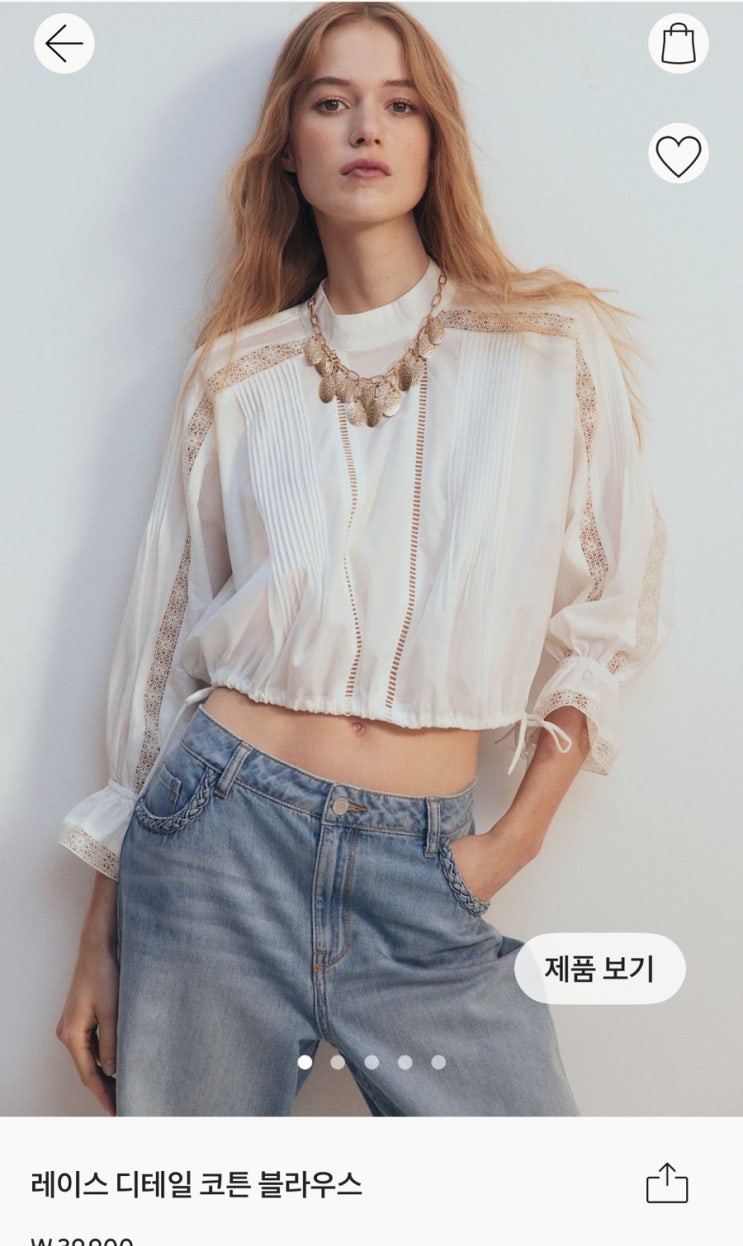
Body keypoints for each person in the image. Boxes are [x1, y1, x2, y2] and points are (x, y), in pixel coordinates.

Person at [56, 1, 671, 1117]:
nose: (365, 128)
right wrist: (99, 937)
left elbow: (612, 611)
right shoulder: (236, 375)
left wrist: (512, 843)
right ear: (288, 151)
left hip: (425, 867)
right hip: (216, 841)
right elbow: (161, 651)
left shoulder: (544, 346)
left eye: (399, 104)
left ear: (435, 142)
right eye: (331, 103)